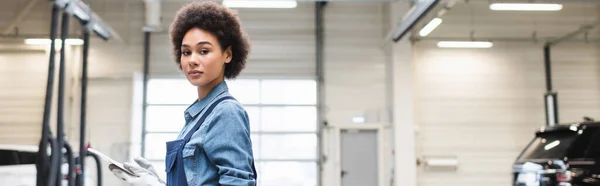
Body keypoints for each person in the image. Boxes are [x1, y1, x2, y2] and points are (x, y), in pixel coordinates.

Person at [111, 1, 257, 186]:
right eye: (186, 52)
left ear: (227, 54)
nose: (192, 60)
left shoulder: (226, 112)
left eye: (204, 51)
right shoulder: (197, 118)